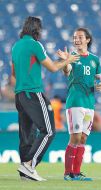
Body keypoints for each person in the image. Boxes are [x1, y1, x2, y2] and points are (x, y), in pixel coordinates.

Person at [12, 16, 79, 181]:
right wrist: (67, 60)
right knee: (48, 131)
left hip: (19, 95)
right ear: (37, 30)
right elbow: (53, 67)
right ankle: (29, 165)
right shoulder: (35, 45)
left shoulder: (16, 46)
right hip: (33, 93)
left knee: (26, 135)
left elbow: (13, 74)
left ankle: (25, 172)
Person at [63, 28, 101, 181]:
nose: (76, 40)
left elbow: (99, 80)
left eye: (80, 37)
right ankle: (68, 173)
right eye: (74, 37)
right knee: (75, 137)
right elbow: (66, 71)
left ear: (87, 40)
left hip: (89, 103)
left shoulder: (95, 59)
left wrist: (100, 85)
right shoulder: (72, 57)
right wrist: (66, 61)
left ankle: (77, 172)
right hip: (75, 102)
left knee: (83, 139)